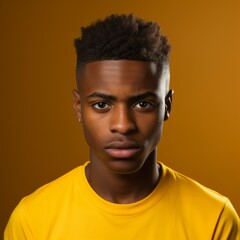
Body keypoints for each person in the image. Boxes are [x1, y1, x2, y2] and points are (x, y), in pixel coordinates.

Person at [4, 14, 240, 239]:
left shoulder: (215, 218)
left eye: (143, 104)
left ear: (167, 106)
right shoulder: (32, 221)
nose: (123, 125)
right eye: (102, 105)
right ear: (78, 107)